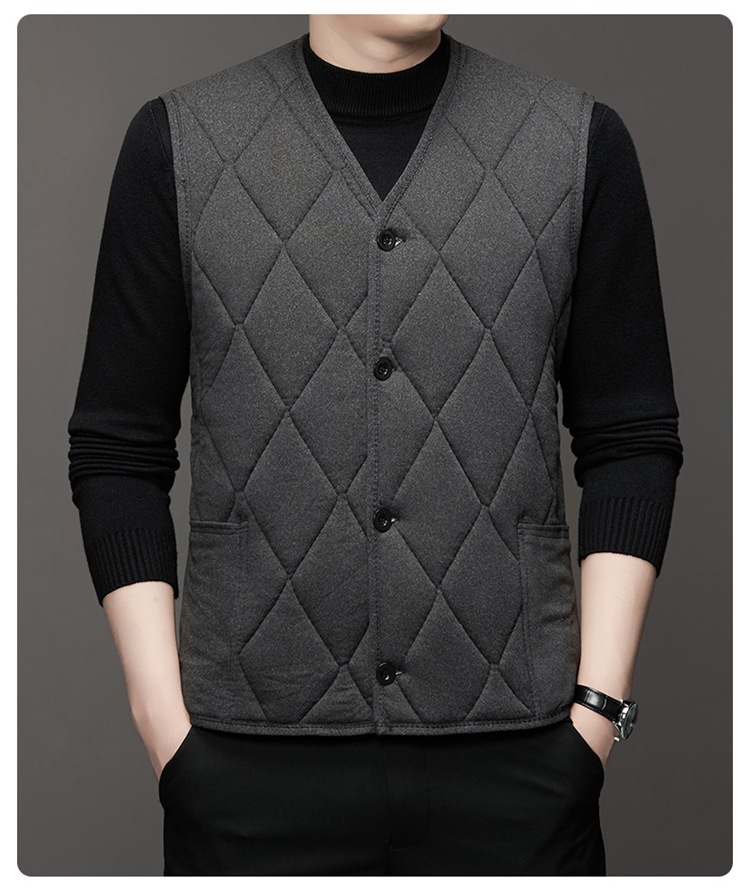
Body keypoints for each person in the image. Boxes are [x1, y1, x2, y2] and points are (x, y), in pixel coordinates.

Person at [66, 13, 684, 876]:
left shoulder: (577, 141)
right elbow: (118, 449)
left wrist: (597, 716)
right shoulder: (178, 141)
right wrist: (166, 732)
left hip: (523, 764)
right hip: (246, 769)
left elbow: (630, 438)